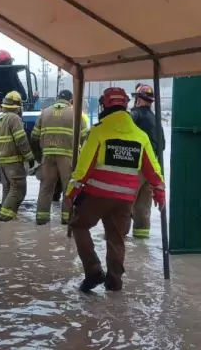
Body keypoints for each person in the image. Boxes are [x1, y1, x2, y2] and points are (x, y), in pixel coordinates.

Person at [66, 87, 165, 292]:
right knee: (116, 239)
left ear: (104, 105)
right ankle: (114, 284)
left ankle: (93, 272)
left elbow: (83, 169)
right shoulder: (140, 136)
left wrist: (70, 194)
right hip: (126, 198)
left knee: (79, 226)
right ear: (127, 104)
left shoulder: (98, 131)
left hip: (97, 196)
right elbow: (153, 170)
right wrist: (160, 193)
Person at [31, 90, 88, 225]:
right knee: (68, 188)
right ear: (71, 100)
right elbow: (85, 138)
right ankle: (66, 219)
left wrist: (39, 156)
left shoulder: (44, 113)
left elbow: (34, 137)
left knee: (46, 187)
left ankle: (41, 219)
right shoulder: (75, 113)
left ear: (57, 99)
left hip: (47, 156)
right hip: (67, 157)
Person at [129, 84, 166, 239]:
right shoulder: (156, 119)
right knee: (143, 209)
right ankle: (141, 244)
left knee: (123, 205)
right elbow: (162, 145)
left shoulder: (134, 115)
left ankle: (119, 238)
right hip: (151, 170)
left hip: (134, 168)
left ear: (138, 99)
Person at [0, 91, 35, 222]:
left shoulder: (0, 119)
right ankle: (5, 218)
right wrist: (30, 157)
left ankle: (5, 221)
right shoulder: (14, 118)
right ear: (17, 105)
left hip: (2, 162)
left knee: (8, 189)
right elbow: (21, 139)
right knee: (18, 189)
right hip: (14, 161)